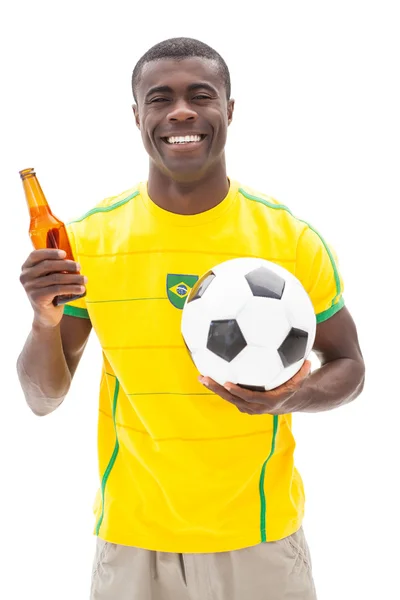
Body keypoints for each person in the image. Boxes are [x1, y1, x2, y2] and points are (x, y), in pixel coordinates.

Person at [17, 37, 365, 600]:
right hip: (134, 538)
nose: (181, 111)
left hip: (259, 534)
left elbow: (350, 365)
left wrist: (287, 398)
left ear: (228, 110)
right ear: (137, 117)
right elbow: (43, 399)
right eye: (160, 98)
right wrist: (42, 321)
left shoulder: (290, 240)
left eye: (200, 95)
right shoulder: (90, 242)